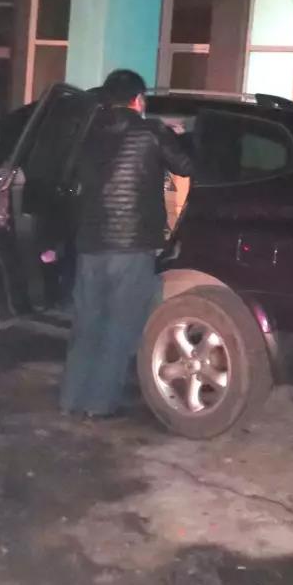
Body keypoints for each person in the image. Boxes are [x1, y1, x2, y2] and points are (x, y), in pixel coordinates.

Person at [60, 69, 195, 417]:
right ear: (138, 100)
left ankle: (71, 400)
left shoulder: (86, 131)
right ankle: (99, 405)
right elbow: (185, 166)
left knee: (87, 324)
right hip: (132, 245)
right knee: (118, 327)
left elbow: (71, 176)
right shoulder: (151, 131)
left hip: (90, 243)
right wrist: (178, 136)